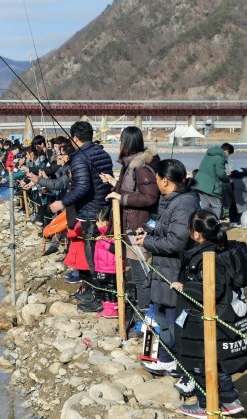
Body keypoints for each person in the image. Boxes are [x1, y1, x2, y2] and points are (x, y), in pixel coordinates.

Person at [171, 210, 245, 417]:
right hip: (224, 314)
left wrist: (183, 287)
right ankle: (230, 399)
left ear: (196, 234)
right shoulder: (226, 249)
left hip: (204, 316)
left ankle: (206, 404)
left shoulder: (207, 257)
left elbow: (213, 289)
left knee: (198, 361)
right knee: (215, 360)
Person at [133, 159, 199, 376]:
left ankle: (177, 363)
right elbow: (164, 227)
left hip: (174, 269)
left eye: (157, 179)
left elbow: (176, 242)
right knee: (161, 312)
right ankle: (164, 357)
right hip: (164, 267)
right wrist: (148, 232)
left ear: (164, 180)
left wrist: (147, 243)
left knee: (172, 318)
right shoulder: (172, 199)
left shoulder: (184, 203)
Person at [49, 121, 113, 304]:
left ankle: (96, 296)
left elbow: (83, 187)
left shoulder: (79, 158)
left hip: (90, 211)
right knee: (101, 254)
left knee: (92, 255)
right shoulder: (103, 153)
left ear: (75, 138)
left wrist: (63, 202)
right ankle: (95, 292)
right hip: (104, 210)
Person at [102, 126, 161, 311]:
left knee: (140, 273)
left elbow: (150, 197)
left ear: (125, 143)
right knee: (137, 272)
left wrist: (121, 198)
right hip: (130, 224)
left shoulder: (141, 167)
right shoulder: (131, 164)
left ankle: (144, 312)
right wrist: (113, 183)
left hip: (137, 227)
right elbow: (132, 188)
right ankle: (141, 306)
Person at [78, 206, 120, 317]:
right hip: (102, 267)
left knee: (111, 290)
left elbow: (115, 248)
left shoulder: (112, 235)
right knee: (105, 288)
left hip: (110, 268)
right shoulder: (102, 234)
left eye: (98, 221)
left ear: (106, 222)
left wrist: (103, 241)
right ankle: (106, 308)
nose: (96, 224)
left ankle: (112, 309)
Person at [194, 142, 234, 218]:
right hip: (210, 186)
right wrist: (228, 180)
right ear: (227, 151)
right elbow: (221, 174)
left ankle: (204, 223)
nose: (228, 156)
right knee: (217, 206)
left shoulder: (209, 155)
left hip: (199, 183)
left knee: (205, 206)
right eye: (229, 154)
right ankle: (215, 226)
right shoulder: (220, 158)